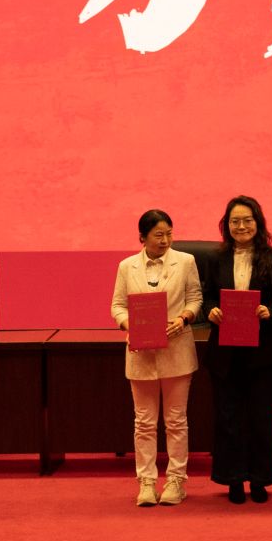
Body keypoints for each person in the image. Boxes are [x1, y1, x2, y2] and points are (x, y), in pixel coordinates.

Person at [110, 208, 203, 507]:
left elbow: (195, 298)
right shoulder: (127, 267)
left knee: (176, 421)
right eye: (158, 235)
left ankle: (176, 480)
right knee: (144, 422)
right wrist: (130, 325)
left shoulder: (185, 261)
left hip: (177, 350)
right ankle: (147, 481)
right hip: (141, 353)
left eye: (169, 234)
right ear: (143, 237)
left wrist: (184, 317)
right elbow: (117, 306)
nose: (165, 240)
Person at [201, 194, 272, 504]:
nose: (241, 226)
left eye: (247, 220)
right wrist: (211, 311)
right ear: (227, 225)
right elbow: (207, 296)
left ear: (257, 223)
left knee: (261, 418)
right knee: (229, 418)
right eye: (235, 221)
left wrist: (270, 311)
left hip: (262, 350)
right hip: (225, 351)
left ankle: (260, 480)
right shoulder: (215, 258)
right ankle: (233, 480)